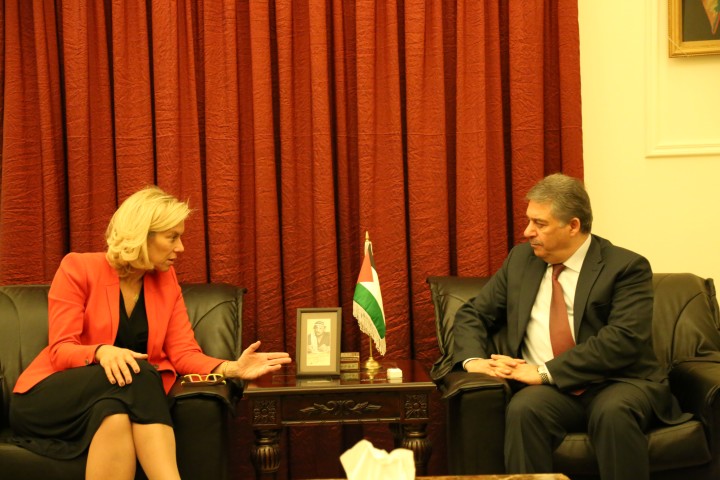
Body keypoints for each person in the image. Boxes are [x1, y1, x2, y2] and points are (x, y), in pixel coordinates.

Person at [9, 186, 292, 480]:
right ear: (142, 235)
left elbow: (183, 353)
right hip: (48, 399)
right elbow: (61, 350)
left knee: (115, 415)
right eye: (172, 237)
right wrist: (102, 352)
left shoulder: (165, 281)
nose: (181, 248)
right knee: (142, 372)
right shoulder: (78, 268)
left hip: (111, 401)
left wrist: (232, 368)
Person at [452, 173, 690, 480]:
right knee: (524, 409)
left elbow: (623, 339)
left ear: (573, 225)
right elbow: (474, 313)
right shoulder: (521, 260)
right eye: (529, 221)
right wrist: (473, 361)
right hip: (553, 391)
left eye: (540, 223)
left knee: (613, 412)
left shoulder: (626, 267)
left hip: (619, 382)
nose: (527, 231)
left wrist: (543, 371)